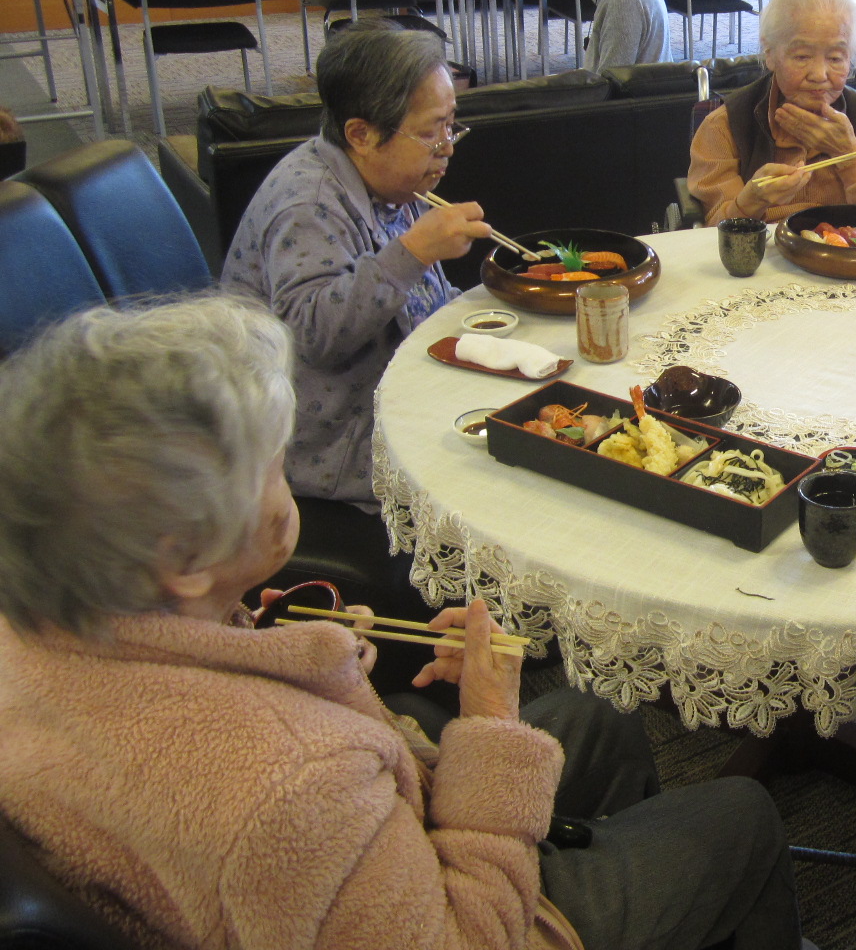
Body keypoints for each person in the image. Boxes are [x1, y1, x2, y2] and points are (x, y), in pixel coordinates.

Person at [0, 296, 806, 950]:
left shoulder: (46, 630)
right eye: (273, 464)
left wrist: (302, 655)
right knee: (740, 815)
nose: (290, 477)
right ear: (182, 557)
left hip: (357, 863)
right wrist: (488, 724)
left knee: (601, 719)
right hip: (470, 914)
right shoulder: (291, 785)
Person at [223, 26, 488, 514]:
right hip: (330, 446)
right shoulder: (308, 205)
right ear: (361, 135)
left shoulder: (389, 181)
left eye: (452, 125)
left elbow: (424, 301)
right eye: (430, 132)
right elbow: (312, 336)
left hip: (394, 393)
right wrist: (414, 251)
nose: (447, 146)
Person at [687, 0, 856, 224]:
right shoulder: (726, 125)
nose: (819, 75)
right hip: (764, 247)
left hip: (853, 246)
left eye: (835, 58)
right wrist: (751, 200)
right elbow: (712, 232)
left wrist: (851, 156)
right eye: (802, 57)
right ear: (770, 53)